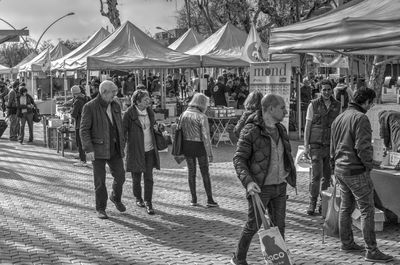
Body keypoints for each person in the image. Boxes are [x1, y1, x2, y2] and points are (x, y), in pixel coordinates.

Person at [231, 94, 296, 265]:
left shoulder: (281, 129)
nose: (286, 111)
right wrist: (249, 182)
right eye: (282, 107)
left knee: (279, 226)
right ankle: (239, 258)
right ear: (271, 108)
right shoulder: (251, 130)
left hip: (280, 186)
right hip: (260, 188)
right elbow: (239, 159)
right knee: (253, 225)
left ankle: (278, 261)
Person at [330, 88, 394, 263]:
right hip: (355, 170)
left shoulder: (340, 117)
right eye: (371, 103)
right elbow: (362, 148)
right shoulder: (361, 118)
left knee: (346, 207)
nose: (371, 106)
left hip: (341, 168)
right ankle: (371, 250)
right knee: (367, 210)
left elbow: (332, 146)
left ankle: (346, 242)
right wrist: (370, 165)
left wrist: (333, 165)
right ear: (366, 102)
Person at [80, 80, 126, 219]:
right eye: (113, 92)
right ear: (104, 92)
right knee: (100, 181)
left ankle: (115, 197)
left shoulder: (115, 105)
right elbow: (84, 130)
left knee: (120, 176)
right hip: (98, 149)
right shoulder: (90, 107)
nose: (115, 95)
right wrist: (88, 149)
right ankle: (101, 208)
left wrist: (123, 143)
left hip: (115, 148)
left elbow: (119, 125)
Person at [304, 79, 340, 215]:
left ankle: (322, 202)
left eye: (329, 89)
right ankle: (312, 202)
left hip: (330, 145)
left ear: (332, 90)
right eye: (324, 89)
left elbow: (338, 126)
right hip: (316, 145)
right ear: (320, 91)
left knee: (327, 176)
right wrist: (306, 145)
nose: (326, 92)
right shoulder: (313, 105)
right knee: (316, 176)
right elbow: (308, 127)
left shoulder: (337, 105)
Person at [122, 90, 160, 215]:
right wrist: (122, 148)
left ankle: (149, 202)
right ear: (137, 102)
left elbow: (153, 126)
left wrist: (158, 128)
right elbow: (123, 132)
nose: (148, 101)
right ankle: (138, 198)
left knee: (149, 177)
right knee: (136, 178)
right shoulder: (129, 113)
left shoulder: (150, 112)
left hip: (149, 149)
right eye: (145, 99)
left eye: (148, 98)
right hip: (135, 150)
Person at [180, 93, 218, 207]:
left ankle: (193, 199)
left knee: (191, 172)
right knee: (205, 172)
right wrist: (210, 153)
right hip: (199, 145)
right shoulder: (202, 116)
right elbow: (206, 136)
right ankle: (209, 199)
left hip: (187, 145)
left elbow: (179, 131)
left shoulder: (184, 114)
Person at [71, 85, 89, 167]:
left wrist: (71, 112)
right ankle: (82, 156)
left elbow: (74, 114)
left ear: (74, 93)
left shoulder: (77, 101)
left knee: (80, 142)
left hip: (79, 124)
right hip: (87, 122)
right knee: (84, 141)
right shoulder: (86, 98)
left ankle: (82, 160)